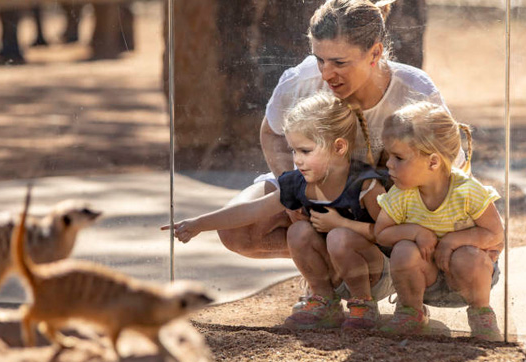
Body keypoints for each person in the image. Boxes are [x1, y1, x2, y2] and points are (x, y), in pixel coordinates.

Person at [216, 0, 464, 260]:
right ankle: (329, 269)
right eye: (319, 59)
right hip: (318, 187)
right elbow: (272, 132)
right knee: (237, 231)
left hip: (388, 201)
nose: (325, 74)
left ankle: (385, 268)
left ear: (375, 53)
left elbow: (450, 166)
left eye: (339, 62)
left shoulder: (415, 90)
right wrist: (293, 190)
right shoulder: (302, 79)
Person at [163, 91, 393, 330]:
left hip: (374, 274)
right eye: (293, 151)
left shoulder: (366, 185)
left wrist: (342, 225)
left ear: (339, 147)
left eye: (305, 151)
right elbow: (251, 211)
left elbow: (388, 235)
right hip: (334, 270)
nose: (297, 160)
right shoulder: (298, 183)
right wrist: (199, 224)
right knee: (299, 231)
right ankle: (325, 301)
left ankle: (363, 305)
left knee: (338, 237)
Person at [373, 101, 504, 341]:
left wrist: (452, 241)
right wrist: (414, 232)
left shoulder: (467, 190)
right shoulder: (402, 193)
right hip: (425, 279)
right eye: (388, 156)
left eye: (398, 157)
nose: (389, 164)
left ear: (433, 162)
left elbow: (496, 235)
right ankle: (410, 312)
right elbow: (381, 233)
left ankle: (481, 314)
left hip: (467, 278)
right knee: (403, 250)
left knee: (468, 255)